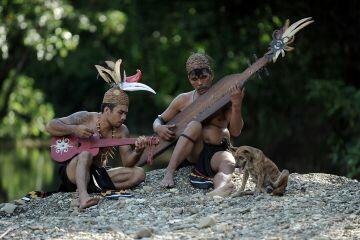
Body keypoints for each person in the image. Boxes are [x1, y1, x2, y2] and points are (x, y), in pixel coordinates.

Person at [47, 64, 156, 209]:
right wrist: (74, 130)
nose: (124, 117)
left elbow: (128, 163)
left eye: (126, 113)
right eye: (120, 112)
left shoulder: (122, 131)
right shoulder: (85, 117)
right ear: (106, 110)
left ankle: (91, 188)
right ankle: (84, 197)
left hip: (97, 175)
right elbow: (50, 126)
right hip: (72, 171)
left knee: (139, 173)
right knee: (85, 154)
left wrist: (138, 150)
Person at [153, 53, 244, 197]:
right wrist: (159, 128)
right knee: (195, 125)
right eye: (194, 79)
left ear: (211, 75)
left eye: (203, 77)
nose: (199, 83)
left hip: (216, 151)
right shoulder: (183, 99)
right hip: (194, 152)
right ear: (189, 79)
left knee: (228, 163)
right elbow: (159, 119)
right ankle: (169, 172)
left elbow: (236, 131)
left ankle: (221, 187)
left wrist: (237, 104)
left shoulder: (225, 97)